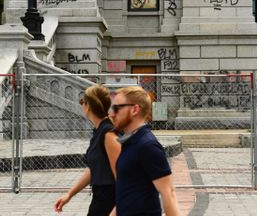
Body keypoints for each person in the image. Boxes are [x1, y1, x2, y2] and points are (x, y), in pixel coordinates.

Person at [108, 86, 181, 216]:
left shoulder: (147, 146)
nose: (111, 114)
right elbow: (127, 193)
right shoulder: (131, 142)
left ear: (135, 109)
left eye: (116, 108)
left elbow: (168, 193)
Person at [54, 84, 121, 216]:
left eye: (82, 101)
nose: (81, 105)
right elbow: (93, 168)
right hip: (100, 199)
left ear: (88, 105)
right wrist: (69, 194)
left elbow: (122, 177)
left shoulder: (108, 134)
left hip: (110, 202)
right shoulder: (99, 131)